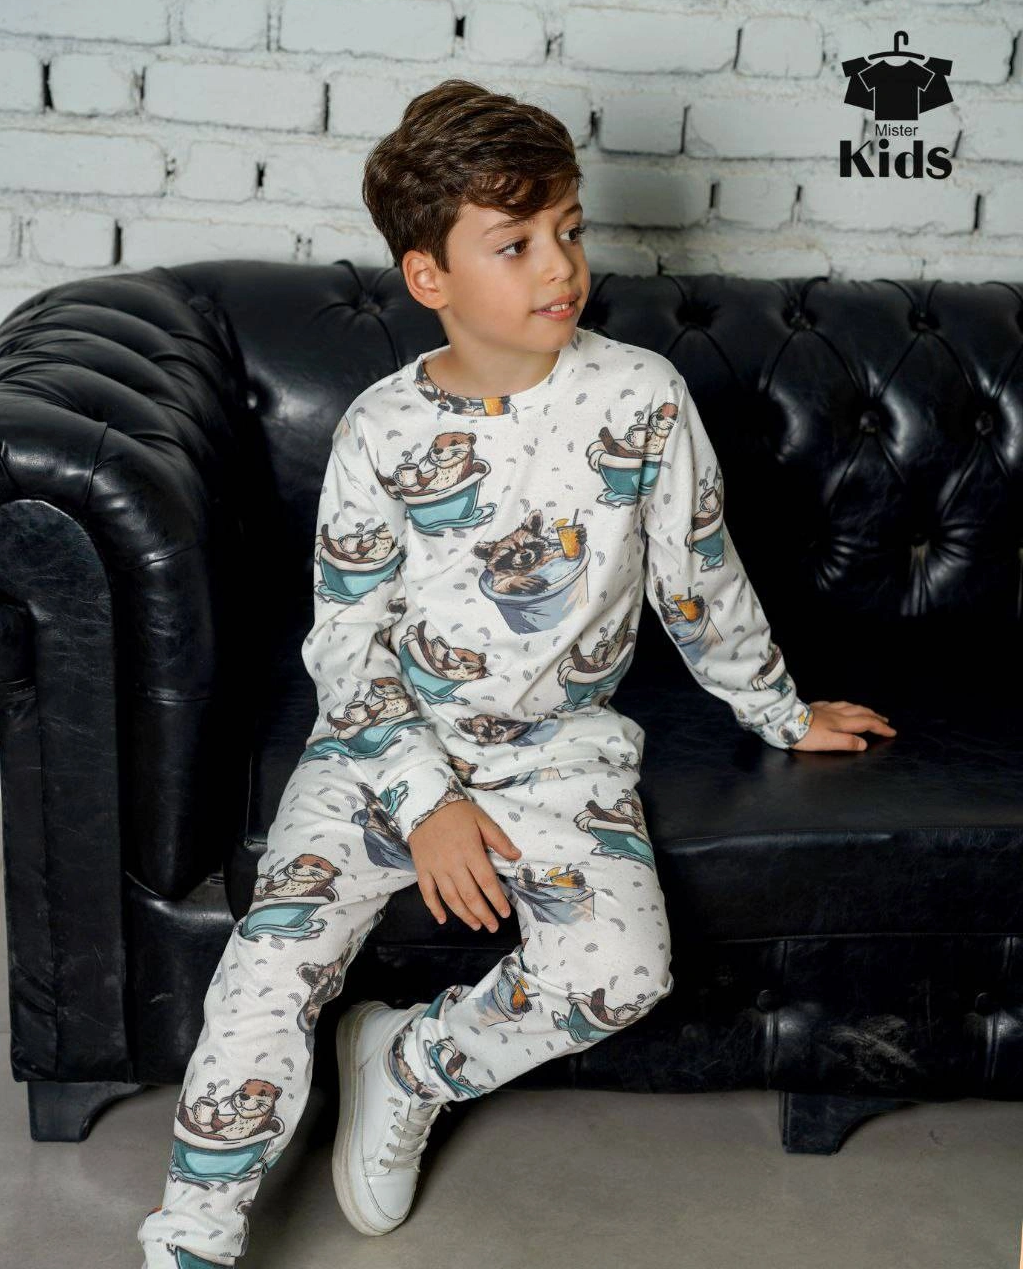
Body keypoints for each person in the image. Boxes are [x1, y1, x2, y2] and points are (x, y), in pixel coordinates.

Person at [137, 78, 896, 1267]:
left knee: (621, 973)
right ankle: (191, 1235)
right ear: (428, 275)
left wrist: (777, 709)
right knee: (267, 970)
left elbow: (696, 577)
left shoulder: (640, 398)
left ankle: (409, 1062)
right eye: (516, 243)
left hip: (559, 747)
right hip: (382, 744)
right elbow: (345, 640)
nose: (561, 265)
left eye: (569, 230)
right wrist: (424, 800)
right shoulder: (380, 431)